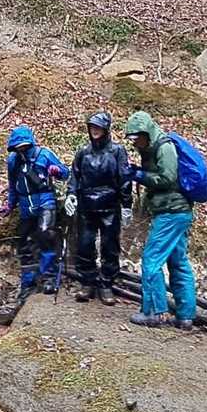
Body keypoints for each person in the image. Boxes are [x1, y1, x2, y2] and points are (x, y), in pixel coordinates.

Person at [123, 111, 197, 330]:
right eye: (131, 138)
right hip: (177, 212)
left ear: (147, 133)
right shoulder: (152, 148)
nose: (134, 142)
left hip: (171, 212)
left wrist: (139, 176)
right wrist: (138, 171)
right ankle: (185, 316)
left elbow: (167, 178)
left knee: (151, 259)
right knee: (178, 261)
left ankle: (154, 312)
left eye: (137, 137)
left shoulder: (164, 147)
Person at [66, 111, 131, 306]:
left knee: (110, 247)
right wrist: (71, 194)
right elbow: (75, 175)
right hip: (87, 206)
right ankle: (87, 282)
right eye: (92, 127)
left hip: (110, 205)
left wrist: (127, 205)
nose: (95, 130)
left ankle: (106, 284)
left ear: (106, 129)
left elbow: (124, 178)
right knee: (85, 245)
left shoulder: (117, 151)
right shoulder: (83, 152)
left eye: (99, 127)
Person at [4, 125, 69, 299]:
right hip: (25, 203)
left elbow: (65, 173)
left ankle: (49, 277)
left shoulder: (44, 155)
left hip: (44, 200)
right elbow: (12, 185)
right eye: (18, 148)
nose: (22, 150)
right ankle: (28, 281)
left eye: (25, 147)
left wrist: (56, 171)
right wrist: (10, 205)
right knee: (24, 241)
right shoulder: (13, 161)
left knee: (45, 233)